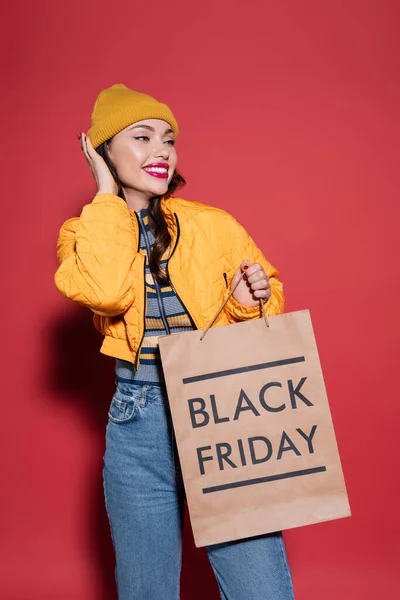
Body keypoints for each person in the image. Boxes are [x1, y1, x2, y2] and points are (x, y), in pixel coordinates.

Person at [54, 83, 295, 600]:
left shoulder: (213, 224)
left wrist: (251, 296)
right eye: (142, 137)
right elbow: (106, 293)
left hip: (221, 406)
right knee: (146, 590)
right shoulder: (84, 232)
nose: (161, 150)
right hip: (137, 418)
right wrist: (104, 195)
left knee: (261, 588)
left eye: (168, 139)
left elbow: (264, 299)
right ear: (103, 151)